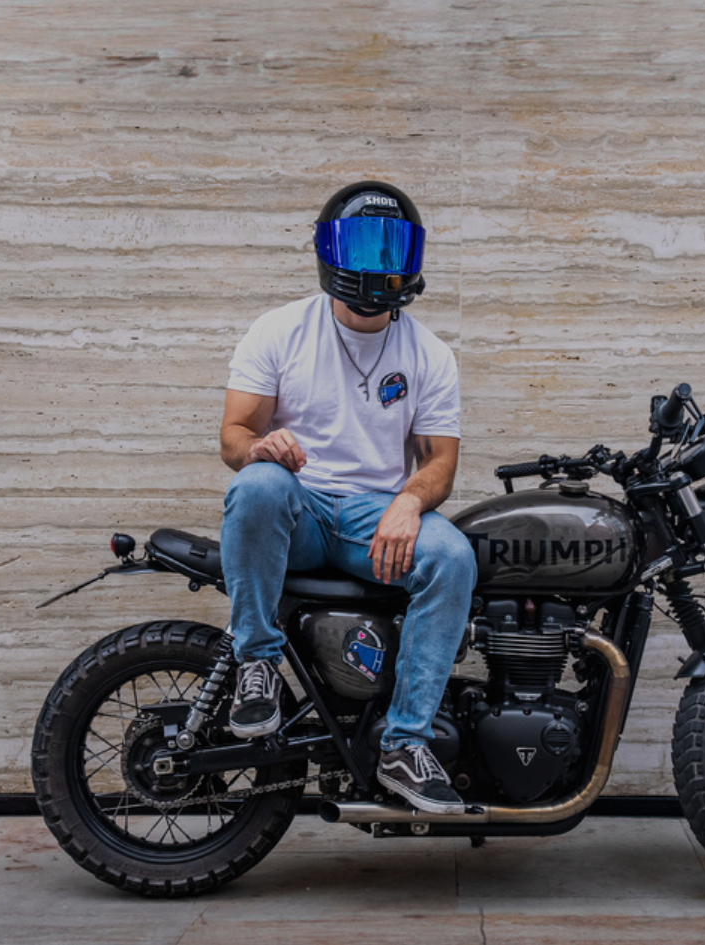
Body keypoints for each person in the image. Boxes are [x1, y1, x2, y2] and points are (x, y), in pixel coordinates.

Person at [217, 180, 474, 815]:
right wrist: (261, 448)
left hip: (373, 518)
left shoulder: (430, 354)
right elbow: (233, 437)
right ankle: (256, 664)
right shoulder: (279, 331)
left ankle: (404, 743)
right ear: (329, 251)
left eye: (390, 249)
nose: (374, 264)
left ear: (413, 257)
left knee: (452, 557)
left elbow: (440, 463)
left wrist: (408, 503)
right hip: (298, 507)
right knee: (256, 484)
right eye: (359, 246)